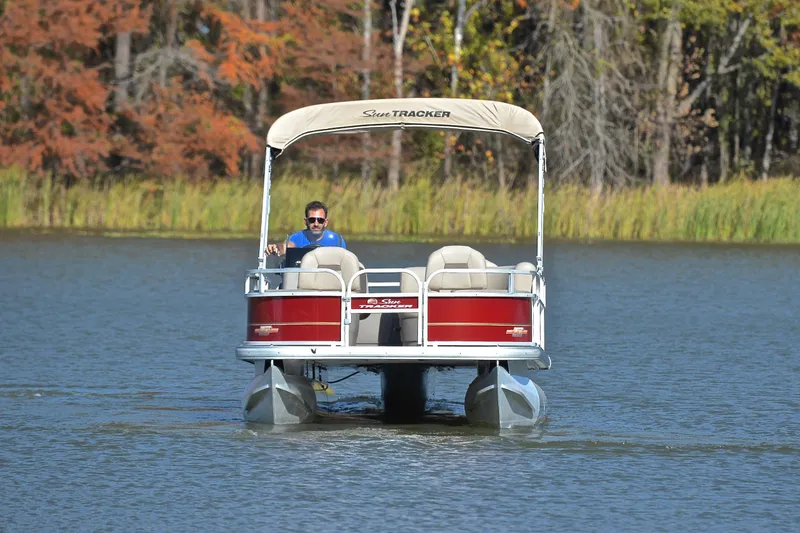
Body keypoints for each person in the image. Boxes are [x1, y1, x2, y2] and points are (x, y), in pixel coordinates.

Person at [265, 200, 346, 256]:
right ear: (305, 221)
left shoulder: (337, 240)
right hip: (303, 279)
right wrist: (276, 248)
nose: (316, 224)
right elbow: (285, 248)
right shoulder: (295, 238)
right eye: (312, 220)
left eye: (320, 220)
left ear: (326, 222)